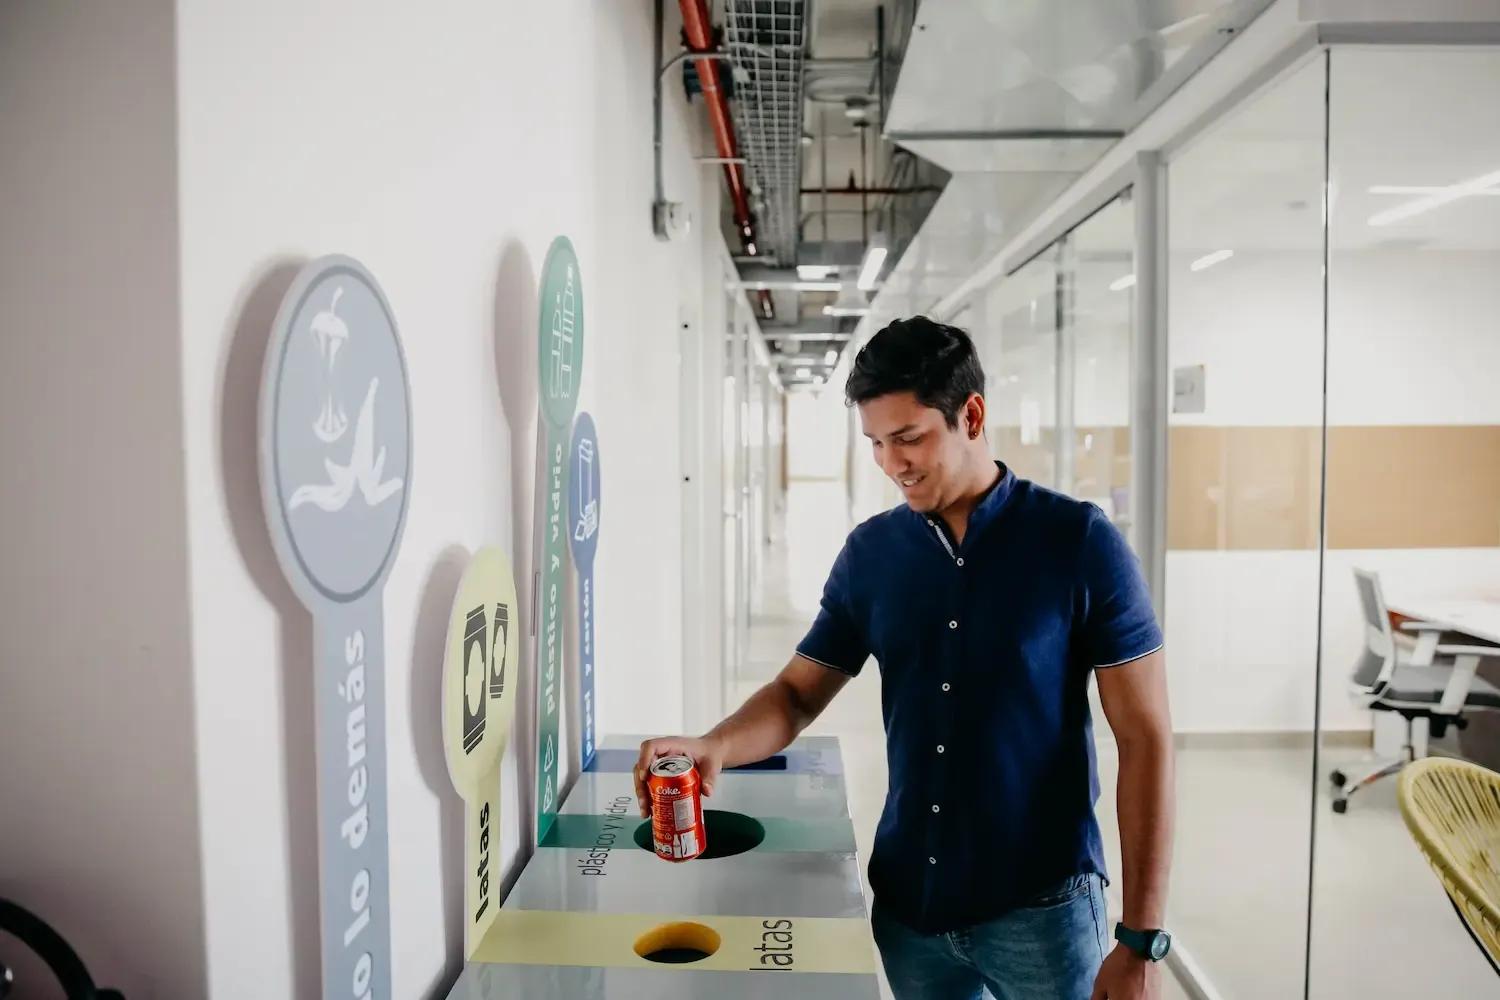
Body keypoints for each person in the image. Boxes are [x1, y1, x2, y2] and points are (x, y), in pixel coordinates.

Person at [635, 316, 1175, 1000]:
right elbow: (798, 693)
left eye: (909, 437)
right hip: (909, 915)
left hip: (1043, 915)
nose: (893, 463)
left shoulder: (1078, 543)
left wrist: (1141, 941)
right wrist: (714, 744)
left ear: (970, 414)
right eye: (876, 444)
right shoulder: (872, 555)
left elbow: (1145, 738)